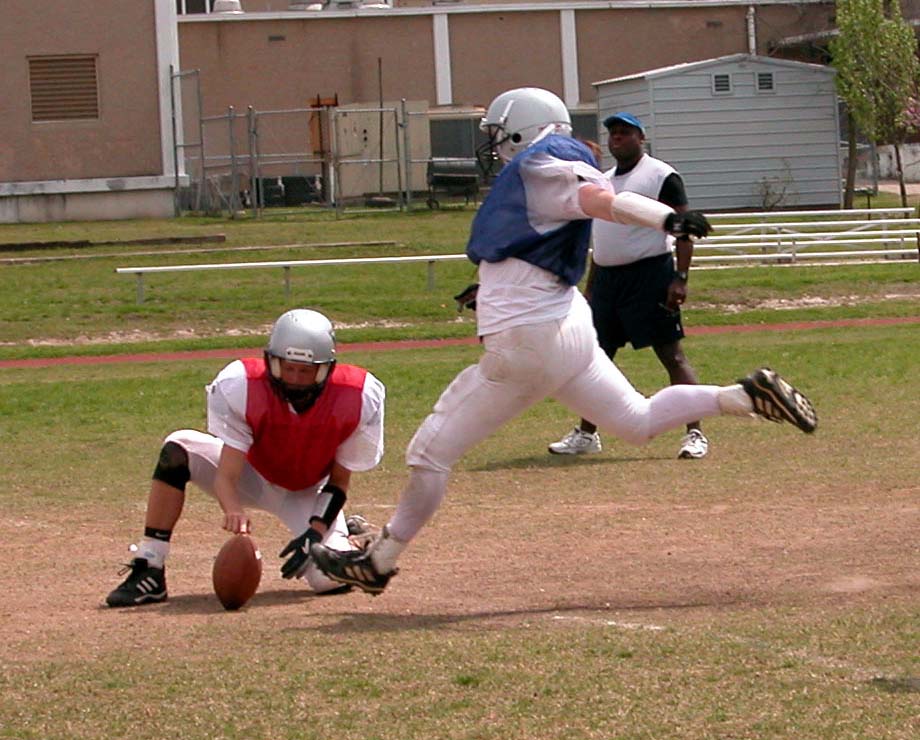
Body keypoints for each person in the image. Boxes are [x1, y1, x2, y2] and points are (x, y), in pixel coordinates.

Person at [309, 87, 817, 596]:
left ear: (522, 127)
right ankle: (745, 396)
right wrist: (489, 285)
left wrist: (665, 218)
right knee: (637, 421)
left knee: (428, 454)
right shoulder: (548, 168)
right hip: (566, 324)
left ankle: (380, 561)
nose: (494, 144)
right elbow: (541, 238)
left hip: (529, 341)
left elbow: (599, 201)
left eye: (498, 132)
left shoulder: (546, 164)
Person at [105, 308, 385, 607]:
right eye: (287, 368)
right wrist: (233, 510)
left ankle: (351, 542)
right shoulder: (241, 384)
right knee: (178, 448)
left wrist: (315, 532)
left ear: (326, 368)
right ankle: (150, 567)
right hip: (253, 475)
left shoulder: (358, 396)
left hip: (308, 491)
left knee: (328, 580)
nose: (294, 379)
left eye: (306, 371)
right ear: (271, 361)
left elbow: (339, 482)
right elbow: (226, 475)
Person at [549, 112, 709, 459]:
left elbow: (683, 228)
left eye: (625, 132)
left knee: (671, 356)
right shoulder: (602, 181)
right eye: (613, 133)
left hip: (649, 275)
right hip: (608, 280)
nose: (616, 138)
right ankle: (587, 434)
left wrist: (680, 277)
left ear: (641, 138)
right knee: (594, 359)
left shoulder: (660, 175)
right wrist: (591, 288)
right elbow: (600, 239)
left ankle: (695, 433)